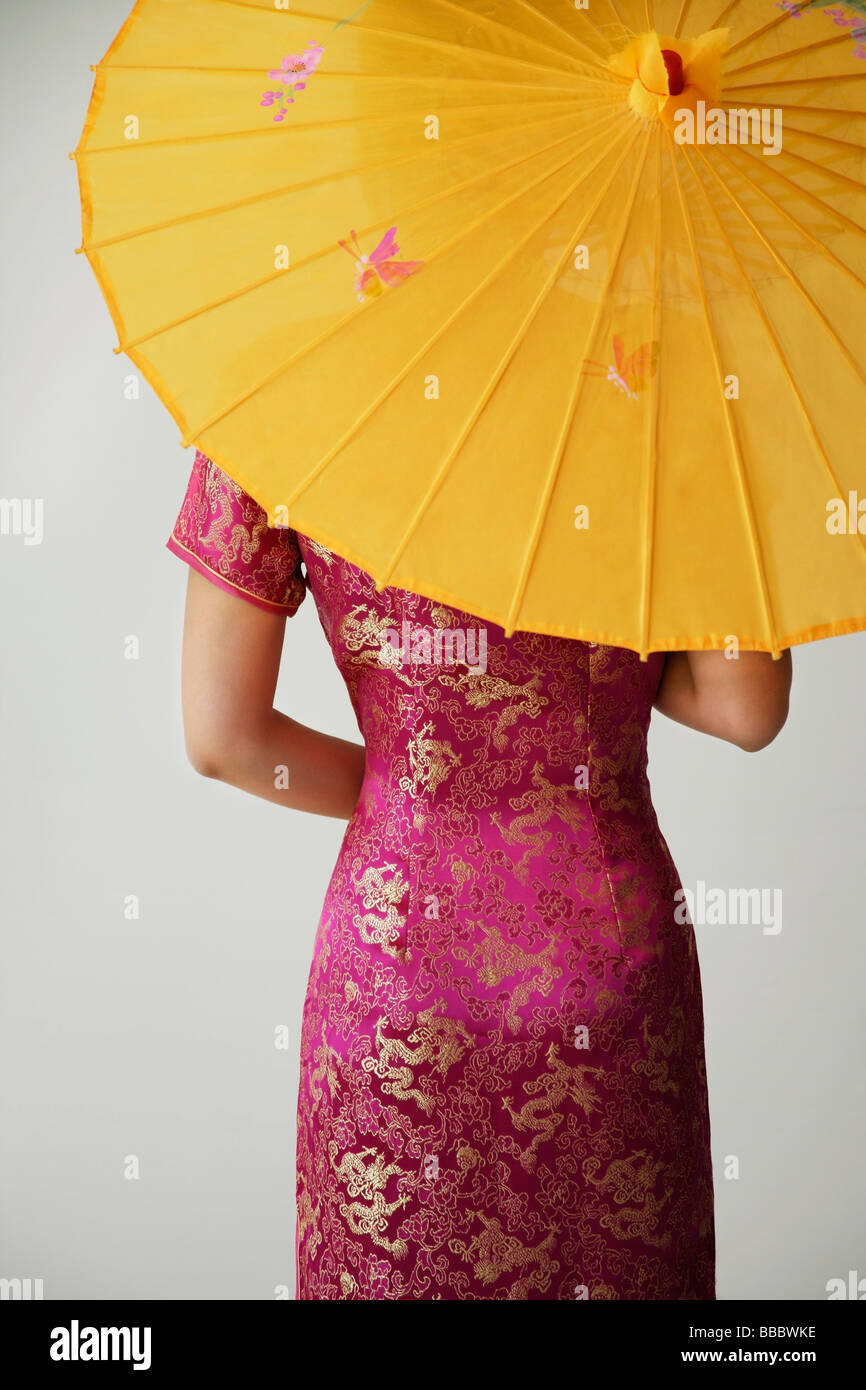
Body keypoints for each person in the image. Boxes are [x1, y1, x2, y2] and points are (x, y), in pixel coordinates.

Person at [167, 448, 792, 1300]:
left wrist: (410, 795)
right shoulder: (654, 394)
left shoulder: (279, 409)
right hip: (607, 963)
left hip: (399, 977)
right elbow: (741, 708)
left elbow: (222, 738)